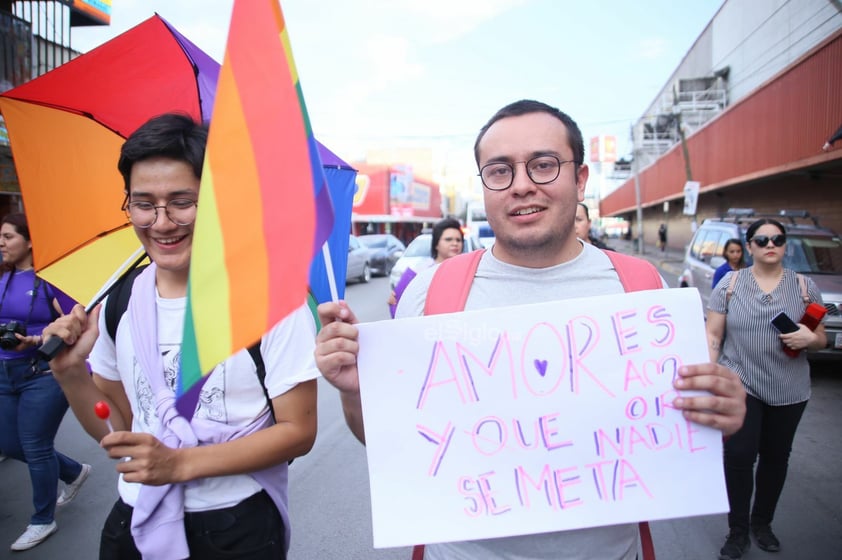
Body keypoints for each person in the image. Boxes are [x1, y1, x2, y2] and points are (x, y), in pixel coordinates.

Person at [315, 99, 747, 559]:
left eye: (543, 165)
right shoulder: (430, 291)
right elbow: (387, 443)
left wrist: (719, 413)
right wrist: (356, 393)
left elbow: (678, 436)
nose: (521, 186)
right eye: (500, 171)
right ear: (484, 186)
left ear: (580, 179)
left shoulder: (641, 289)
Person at [42, 114, 319, 560]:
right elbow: (121, 428)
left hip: (236, 525)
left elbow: (298, 431)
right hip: (136, 517)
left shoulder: (270, 301)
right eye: (143, 203)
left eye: (182, 202)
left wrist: (179, 464)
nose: (162, 223)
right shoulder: (121, 301)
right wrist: (72, 373)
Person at [706, 218, 826, 560]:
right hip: (740, 383)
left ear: (785, 245)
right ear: (749, 246)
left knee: (775, 457)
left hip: (790, 388)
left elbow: (821, 338)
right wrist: (711, 373)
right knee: (740, 456)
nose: (770, 244)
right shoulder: (729, 284)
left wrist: (810, 338)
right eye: (762, 239)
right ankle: (738, 530)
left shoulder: (805, 287)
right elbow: (713, 334)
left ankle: (763, 523)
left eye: (777, 239)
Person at [0, 212, 91, 551]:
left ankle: (43, 520)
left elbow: (75, 322)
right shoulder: (3, 280)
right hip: (5, 373)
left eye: (8, 236)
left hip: (43, 373)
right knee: (11, 445)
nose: (1, 242)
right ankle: (72, 471)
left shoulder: (49, 281)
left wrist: (36, 341)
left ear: (29, 241)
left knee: (35, 445)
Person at [387, 217, 464, 318]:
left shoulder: (467, 270)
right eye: (448, 239)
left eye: (458, 240)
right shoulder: (418, 270)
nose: (455, 243)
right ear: (436, 244)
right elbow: (396, 303)